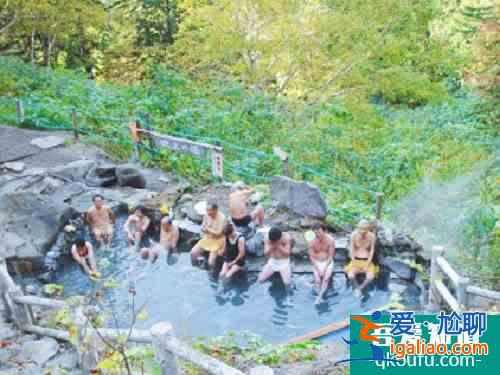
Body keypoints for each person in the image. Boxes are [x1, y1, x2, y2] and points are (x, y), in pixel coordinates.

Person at [345, 219, 379, 297]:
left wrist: (367, 263)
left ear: (368, 229)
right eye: (360, 229)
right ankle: (357, 287)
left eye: (365, 229)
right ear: (358, 228)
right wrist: (354, 263)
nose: (362, 231)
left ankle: (360, 288)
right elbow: (352, 249)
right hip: (356, 260)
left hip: (367, 260)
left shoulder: (372, 236)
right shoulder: (353, 235)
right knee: (350, 275)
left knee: (370, 277)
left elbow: (372, 251)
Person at [190, 202, 226, 268]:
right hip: (207, 238)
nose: (208, 213)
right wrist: (205, 229)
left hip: (217, 241)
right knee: (193, 253)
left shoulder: (222, 218)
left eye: (210, 211)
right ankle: (195, 267)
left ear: (216, 210)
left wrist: (208, 229)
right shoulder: (206, 215)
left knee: (211, 261)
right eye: (207, 211)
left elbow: (218, 234)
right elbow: (203, 227)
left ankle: (212, 271)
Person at [308, 223, 336, 304]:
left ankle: (319, 297)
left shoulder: (330, 240)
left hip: (327, 262)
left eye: (319, 232)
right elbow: (312, 257)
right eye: (315, 232)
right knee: (317, 280)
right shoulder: (311, 241)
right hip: (316, 262)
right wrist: (318, 269)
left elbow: (331, 256)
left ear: (324, 231)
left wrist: (324, 269)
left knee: (326, 279)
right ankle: (319, 295)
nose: (317, 234)